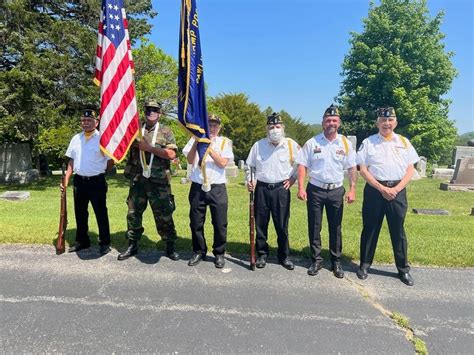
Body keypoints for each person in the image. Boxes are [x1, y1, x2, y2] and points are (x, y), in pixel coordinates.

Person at [356, 107, 419, 286]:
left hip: (397, 191)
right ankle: (365, 265)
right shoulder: (368, 143)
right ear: (377, 123)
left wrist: (396, 188)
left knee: (398, 231)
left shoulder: (404, 142)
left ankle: (403, 270)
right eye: (383, 120)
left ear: (395, 122)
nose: (387, 123)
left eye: (390, 120)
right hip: (375, 191)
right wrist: (381, 188)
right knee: (370, 229)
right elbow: (363, 169)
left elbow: (410, 169)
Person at [296, 104, 357, 278]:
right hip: (315, 189)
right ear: (323, 123)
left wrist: (352, 189)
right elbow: (302, 165)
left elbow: (352, 168)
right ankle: (316, 260)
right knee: (315, 226)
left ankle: (335, 260)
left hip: (336, 190)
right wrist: (300, 187)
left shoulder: (345, 143)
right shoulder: (312, 142)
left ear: (339, 123)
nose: (331, 123)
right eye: (328, 120)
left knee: (335, 227)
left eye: (335, 120)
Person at [118, 100, 179, 261]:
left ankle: (169, 246)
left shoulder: (166, 131)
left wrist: (150, 149)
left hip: (159, 182)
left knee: (164, 215)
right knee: (133, 214)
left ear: (160, 113)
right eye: (148, 110)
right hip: (138, 180)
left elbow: (172, 154)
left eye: (155, 110)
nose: (151, 112)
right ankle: (132, 245)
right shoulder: (135, 130)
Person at [246, 113, 300, 270]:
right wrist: (250, 181)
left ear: (283, 128)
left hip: (281, 189)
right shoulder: (258, 145)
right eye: (271, 127)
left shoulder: (291, 145)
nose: (274, 130)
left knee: (282, 225)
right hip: (262, 188)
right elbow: (250, 167)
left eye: (277, 127)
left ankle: (284, 256)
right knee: (261, 224)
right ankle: (262, 254)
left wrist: (293, 179)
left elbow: (301, 165)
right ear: (266, 129)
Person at [182, 114, 234, 268]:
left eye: (215, 125)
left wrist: (208, 148)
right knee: (196, 222)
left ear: (219, 127)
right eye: (209, 125)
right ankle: (199, 251)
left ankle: (219, 253)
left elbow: (223, 163)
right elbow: (190, 160)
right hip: (198, 186)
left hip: (217, 187)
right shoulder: (194, 139)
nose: (212, 128)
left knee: (219, 223)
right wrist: (197, 142)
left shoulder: (225, 142)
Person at [61, 109, 113, 255]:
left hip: (97, 181)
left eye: (89, 120)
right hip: (79, 181)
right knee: (80, 213)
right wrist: (66, 179)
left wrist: (100, 171)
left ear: (96, 122)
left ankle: (104, 242)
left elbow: (111, 161)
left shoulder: (103, 138)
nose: (85, 123)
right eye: (83, 120)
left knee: (100, 212)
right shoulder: (75, 138)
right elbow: (71, 160)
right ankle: (82, 241)